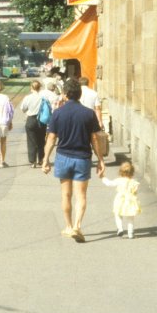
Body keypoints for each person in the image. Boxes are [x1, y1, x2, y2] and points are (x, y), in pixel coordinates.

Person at [42, 77, 106, 242]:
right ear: (79, 95)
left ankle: (69, 227)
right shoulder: (88, 113)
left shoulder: (58, 113)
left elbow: (51, 139)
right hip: (83, 158)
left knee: (66, 195)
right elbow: (94, 139)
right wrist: (100, 160)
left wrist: (45, 160)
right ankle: (78, 226)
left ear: (64, 95)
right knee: (81, 195)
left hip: (63, 157)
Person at [102, 161, 142, 239]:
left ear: (120, 172)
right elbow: (135, 192)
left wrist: (103, 177)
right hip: (130, 201)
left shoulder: (119, 180)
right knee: (130, 217)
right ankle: (131, 233)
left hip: (120, 200)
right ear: (132, 173)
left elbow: (109, 183)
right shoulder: (134, 182)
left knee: (118, 214)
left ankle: (120, 228)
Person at [19, 80, 47, 168]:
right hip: (42, 120)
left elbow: (23, 109)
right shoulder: (43, 97)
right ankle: (41, 159)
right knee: (41, 140)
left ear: (31, 87)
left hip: (31, 119)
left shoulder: (27, 97)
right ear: (40, 88)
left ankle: (33, 161)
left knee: (31, 141)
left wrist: (29, 110)